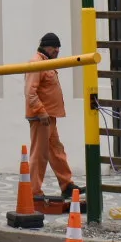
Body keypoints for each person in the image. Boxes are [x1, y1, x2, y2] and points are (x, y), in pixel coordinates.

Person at [25, 31, 79, 201]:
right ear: (47, 47)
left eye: (58, 48)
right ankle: (34, 192)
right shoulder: (37, 63)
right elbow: (30, 93)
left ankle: (67, 185)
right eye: (55, 48)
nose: (57, 51)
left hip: (49, 117)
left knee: (56, 151)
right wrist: (41, 112)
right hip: (42, 118)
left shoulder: (46, 62)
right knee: (39, 155)